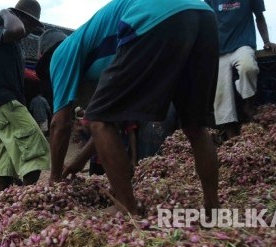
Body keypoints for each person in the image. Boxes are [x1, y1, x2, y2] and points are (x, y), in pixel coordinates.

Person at [36, 0, 221, 215]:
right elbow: (114, 118)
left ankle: (126, 207)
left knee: (97, 120)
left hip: (152, 16)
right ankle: (212, 208)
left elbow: (60, 123)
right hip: (203, 16)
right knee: (195, 126)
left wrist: (55, 180)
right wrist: (79, 161)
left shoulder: (60, 54)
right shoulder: (100, 57)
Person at [0, 0, 50, 192]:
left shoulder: (15, 44)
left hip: (3, 106)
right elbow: (17, 30)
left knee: (5, 158)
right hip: (5, 102)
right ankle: (24, 200)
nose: (29, 30)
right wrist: (4, 12)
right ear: (18, 17)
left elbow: (19, 32)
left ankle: (1, 203)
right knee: (36, 148)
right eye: (29, 23)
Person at [205, 0, 276, 139]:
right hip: (219, 49)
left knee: (248, 67)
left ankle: (249, 104)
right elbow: (206, 20)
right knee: (220, 92)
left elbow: (259, 17)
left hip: (243, 44)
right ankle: (231, 136)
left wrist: (267, 41)